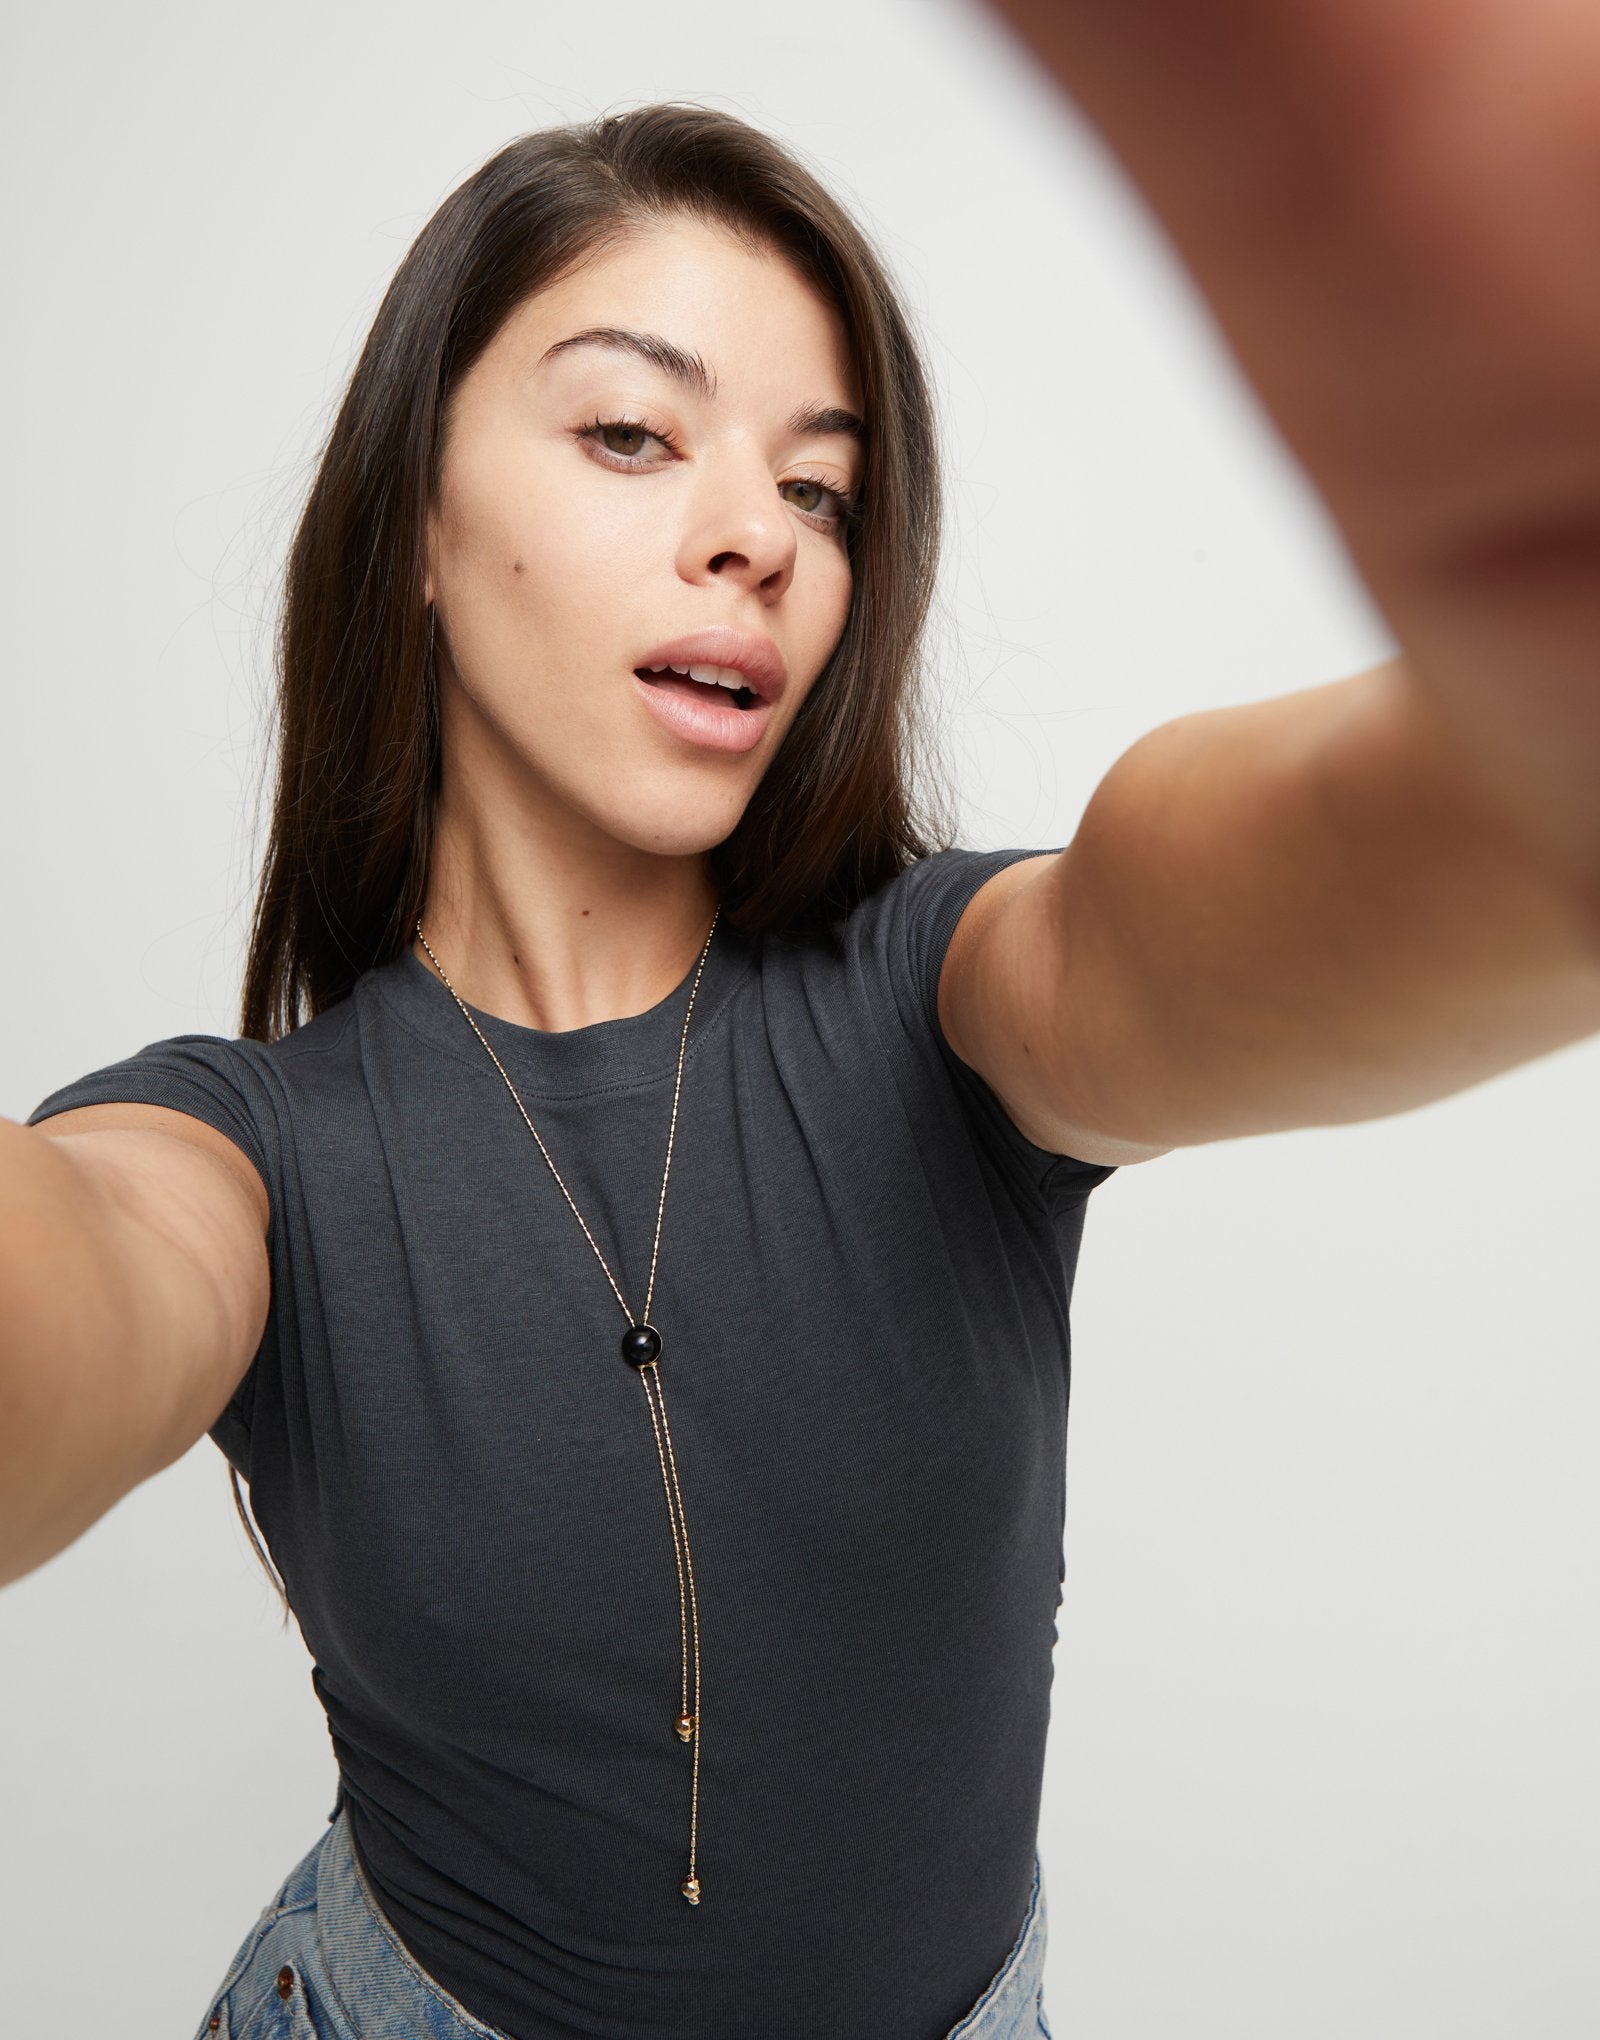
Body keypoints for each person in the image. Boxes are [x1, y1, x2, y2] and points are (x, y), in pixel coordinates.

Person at [5, 7, 1599, 2034]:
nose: (756, 535)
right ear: (412, 518)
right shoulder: (242, 1152)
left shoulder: (943, 1007)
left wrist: (1537, 735)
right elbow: (76, 1298)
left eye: (822, 491)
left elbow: (1195, 904)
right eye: (628, 436)